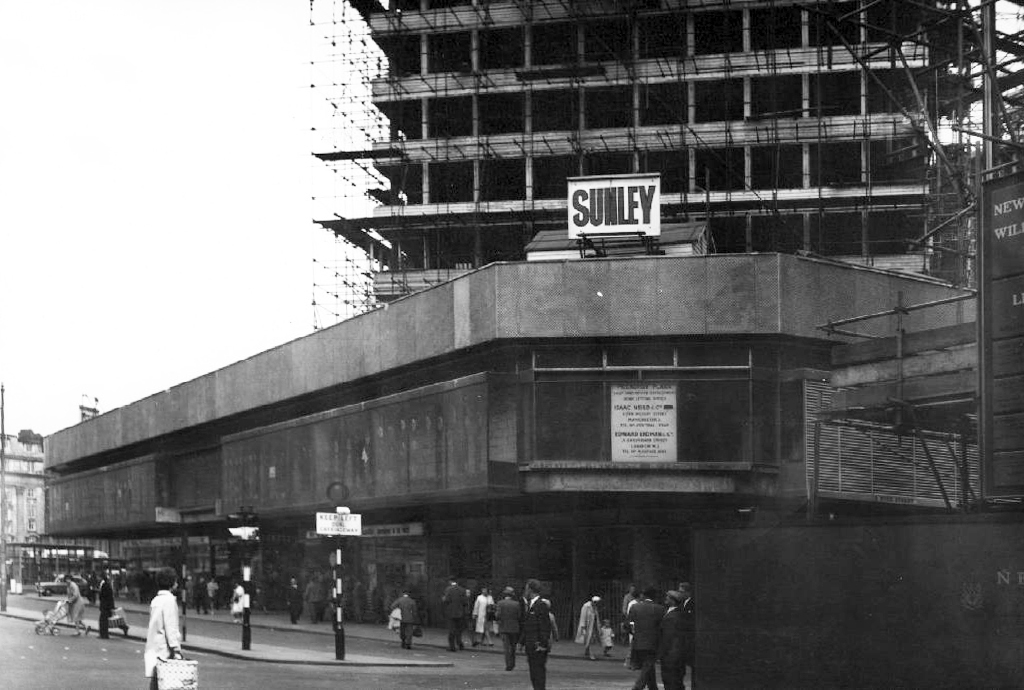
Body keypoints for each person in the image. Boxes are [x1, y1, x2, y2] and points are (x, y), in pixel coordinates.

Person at [144, 567, 183, 690]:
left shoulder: (156, 600)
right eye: (175, 580)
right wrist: (176, 650)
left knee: (157, 684)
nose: (177, 583)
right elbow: (170, 627)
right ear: (171, 582)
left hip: (154, 648)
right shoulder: (169, 600)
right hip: (165, 651)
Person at [627, 586, 665, 690]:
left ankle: (652, 687)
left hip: (638, 641)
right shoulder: (660, 609)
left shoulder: (635, 607)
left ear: (643, 595)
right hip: (653, 642)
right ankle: (638, 686)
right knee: (648, 665)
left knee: (648, 665)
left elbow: (628, 625)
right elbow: (662, 627)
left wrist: (634, 634)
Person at [521, 578, 551, 690]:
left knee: (538, 673)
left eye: (526, 588)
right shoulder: (530, 604)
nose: (525, 591)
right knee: (534, 673)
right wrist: (522, 641)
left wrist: (543, 644)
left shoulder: (541, 605)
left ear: (530, 589)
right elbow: (527, 625)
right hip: (531, 644)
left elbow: (544, 626)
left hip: (537, 645)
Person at [658, 590, 687, 690]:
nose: (666, 598)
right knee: (676, 681)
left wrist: (662, 652)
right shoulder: (676, 613)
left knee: (671, 681)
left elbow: (668, 637)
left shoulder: (672, 616)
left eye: (668, 597)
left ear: (673, 601)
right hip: (675, 654)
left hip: (671, 654)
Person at [495, 586, 523, 671]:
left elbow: (498, 615)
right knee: (513, 647)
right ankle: (513, 663)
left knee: (506, 647)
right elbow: (519, 616)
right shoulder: (517, 604)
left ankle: (508, 665)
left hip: (504, 627)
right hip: (514, 628)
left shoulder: (500, 603)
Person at [442, 577, 469, 651]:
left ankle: (452, 647)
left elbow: (446, 600)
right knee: (459, 630)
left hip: (451, 612)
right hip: (460, 613)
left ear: (450, 581)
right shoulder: (462, 590)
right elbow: (465, 602)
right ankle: (460, 644)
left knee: (452, 630)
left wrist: (443, 599)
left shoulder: (448, 589)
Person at [678, 582, 695, 688]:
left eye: (682, 592)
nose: (680, 594)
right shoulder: (682, 603)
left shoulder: (692, 603)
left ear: (688, 592)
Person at [575, 595, 601, 660]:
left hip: (593, 625)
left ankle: (587, 651)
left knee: (590, 639)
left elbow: (596, 617)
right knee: (589, 639)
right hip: (587, 626)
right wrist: (583, 627)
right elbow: (583, 616)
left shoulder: (595, 607)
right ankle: (591, 653)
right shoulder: (586, 606)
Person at [98, 570, 115, 639]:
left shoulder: (104, 585)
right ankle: (104, 634)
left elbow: (103, 596)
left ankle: (103, 634)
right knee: (104, 621)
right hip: (107, 606)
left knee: (103, 621)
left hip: (105, 606)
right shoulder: (107, 585)